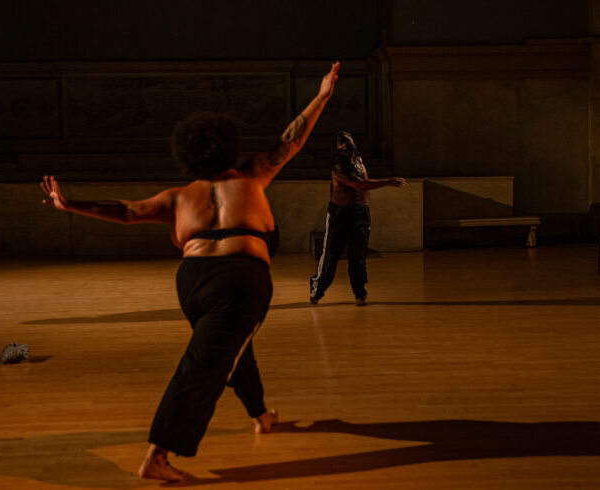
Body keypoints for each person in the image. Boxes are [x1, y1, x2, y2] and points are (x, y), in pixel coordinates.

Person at [40, 62, 340, 482]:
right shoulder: (253, 175)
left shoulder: (179, 197)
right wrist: (323, 95)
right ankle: (157, 455)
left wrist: (71, 205)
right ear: (227, 148)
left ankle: (260, 414)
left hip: (193, 283)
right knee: (206, 364)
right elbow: (291, 140)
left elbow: (125, 211)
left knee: (229, 348)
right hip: (240, 279)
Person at [309, 131, 406, 306]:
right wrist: (387, 182)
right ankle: (317, 290)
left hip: (360, 214)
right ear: (337, 149)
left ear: (353, 142)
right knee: (331, 256)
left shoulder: (359, 161)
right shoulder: (338, 167)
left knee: (359, 256)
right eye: (341, 144)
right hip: (340, 214)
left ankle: (360, 293)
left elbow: (363, 186)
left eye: (346, 142)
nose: (345, 146)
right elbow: (359, 184)